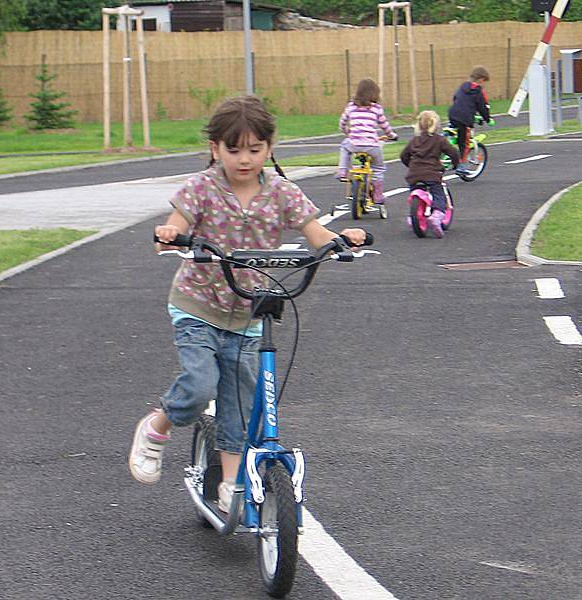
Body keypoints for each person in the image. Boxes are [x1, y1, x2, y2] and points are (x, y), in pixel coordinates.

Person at [128, 95, 367, 513]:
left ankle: (234, 482)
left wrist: (339, 243)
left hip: (249, 310)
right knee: (201, 383)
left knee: (241, 401)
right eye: (233, 149)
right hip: (198, 305)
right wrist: (169, 233)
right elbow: (178, 224)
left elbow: (314, 232)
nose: (244, 159)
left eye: (254, 150)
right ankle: (156, 427)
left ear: (269, 148)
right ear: (215, 149)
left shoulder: (282, 193)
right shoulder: (202, 188)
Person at [336, 78, 398, 204]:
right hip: (371, 146)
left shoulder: (351, 107)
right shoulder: (376, 109)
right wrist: (391, 135)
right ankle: (377, 194)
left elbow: (342, 122)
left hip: (354, 143)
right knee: (378, 168)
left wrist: (347, 132)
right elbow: (384, 126)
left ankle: (343, 170)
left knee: (344, 147)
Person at [400, 110, 460, 238]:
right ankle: (437, 215)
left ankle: (413, 216)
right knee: (439, 195)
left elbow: (403, 156)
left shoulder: (414, 141)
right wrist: (455, 164)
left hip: (414, 175)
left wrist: (411, 166)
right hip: (432, 175)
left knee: (414, 191)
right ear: (436, 125)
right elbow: (453, 153)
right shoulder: (440, 140)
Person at [447, 65, 493, 177]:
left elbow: (456, 98)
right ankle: (462, 167)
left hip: (453, 114)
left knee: (452, 135)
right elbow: (483, 107)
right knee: (465, 143)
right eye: (484, 82)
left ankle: (445, 152)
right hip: (465, 119)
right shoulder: (478, 91)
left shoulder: (463, 86)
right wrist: (488, 119)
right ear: (481, 79)